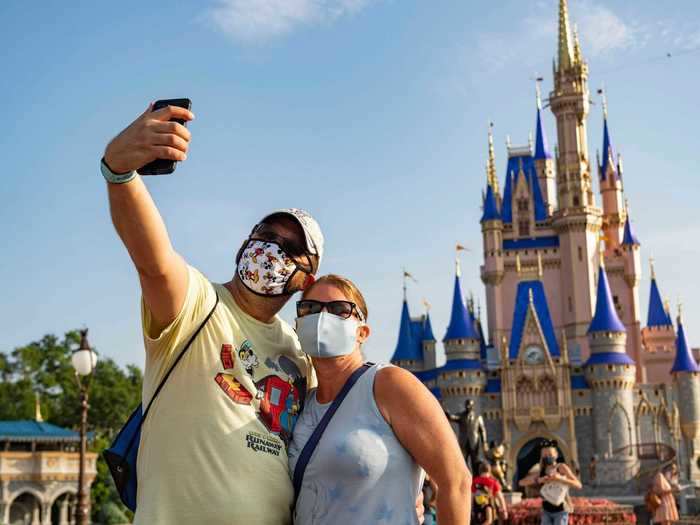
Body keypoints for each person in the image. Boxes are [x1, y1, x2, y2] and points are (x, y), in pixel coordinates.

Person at [288, 274, 472, 524]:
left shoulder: (388, 384)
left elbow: (456, 481)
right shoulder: (301, 406)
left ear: (362, 332)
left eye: (338, 309)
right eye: (310, 308)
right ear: (298, 324)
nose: (322, 318)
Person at [519, 441, 581, 525]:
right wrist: (539, 480)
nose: (547, 457)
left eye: (550, 454)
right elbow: (521, 483)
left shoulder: (561, 467)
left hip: (560, 511)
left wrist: (560, 479)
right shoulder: (541, 470)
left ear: (556, 454)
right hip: (546, 511)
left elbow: (578, 484)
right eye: (545, 455)